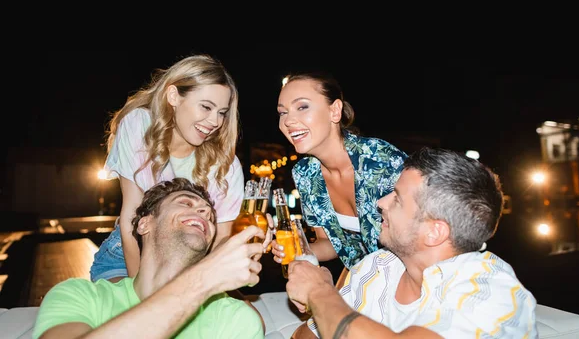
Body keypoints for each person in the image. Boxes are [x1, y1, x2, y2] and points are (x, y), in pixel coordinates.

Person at [286, 147, 538, 338]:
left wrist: (319, 292)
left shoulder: (490, 291)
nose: (380, 203)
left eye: (397, 198)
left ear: (434, 233)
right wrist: (319, 300)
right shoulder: (376, 267)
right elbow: (305, 335)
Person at [33, 177, 267, 339]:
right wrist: (204, 280)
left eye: (210, 214)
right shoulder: (79, 296)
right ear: (145, 223)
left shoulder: (233, 316)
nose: (205, 212)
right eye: (186, 202)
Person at [90, 54, 245, 283]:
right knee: (133, 315)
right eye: (205, 107)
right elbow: (131, 215)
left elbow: (222, 238)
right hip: (128, 257)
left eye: (222, 112)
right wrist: (140, 294)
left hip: (194, 264)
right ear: (173, 96)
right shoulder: (139, 125)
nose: (215, 121)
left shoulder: (226, 165)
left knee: (245, 316)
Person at [272, 71, 408, 272]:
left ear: (335, 111)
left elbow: (423, 234)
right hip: (367, 283)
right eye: (283, 112)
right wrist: (297, 247)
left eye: (302, 107)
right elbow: (329, 243)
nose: (288, 121)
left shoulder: (380, 159)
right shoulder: (305, 174)